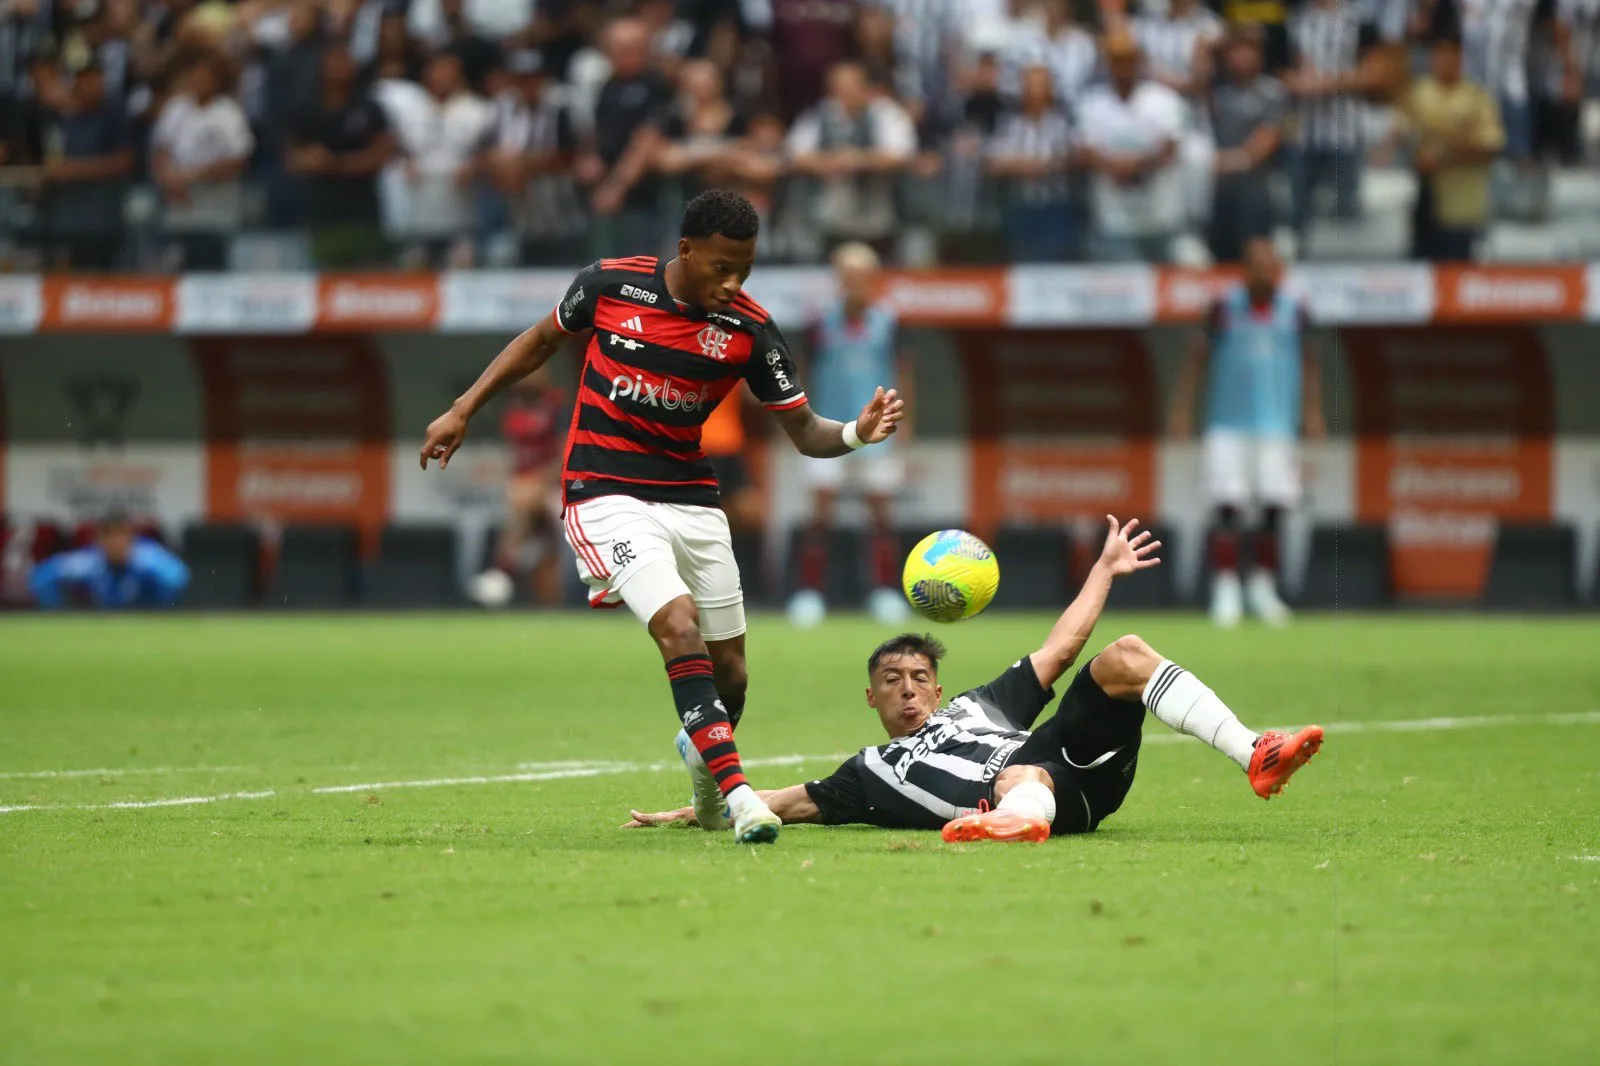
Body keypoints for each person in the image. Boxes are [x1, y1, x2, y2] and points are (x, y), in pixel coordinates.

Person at [420, 189, 905, 845]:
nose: (732, 282)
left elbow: (805, 431)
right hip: (603, 491)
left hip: (691, 497)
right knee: (677, 625)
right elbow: (537, 343)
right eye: (721, 267)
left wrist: (855, 433)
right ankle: (740, 797)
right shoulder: (609, 286)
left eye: (746, 269)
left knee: (731, 674)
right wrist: (463, 408)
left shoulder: (750, 330)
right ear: (685, 250)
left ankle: (705, 777)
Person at [624, 514, 1324, 842]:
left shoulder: (979, 706)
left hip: (1072, 758)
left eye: (919, 676)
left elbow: (1062, 645)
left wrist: (1103, 571)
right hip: (1042, 792)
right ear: (870, 697)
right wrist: (696, 810)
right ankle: (1011, 826)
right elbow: (785, 799)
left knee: (1126, 655)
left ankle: (1253, 753)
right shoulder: (867, 773)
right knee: (1027, 781)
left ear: (937, 687)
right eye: (891, 679)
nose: (907, 687)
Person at [1169, 237, 1325, 628]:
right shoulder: (1223, 308)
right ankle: (1226, 589)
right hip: (1227, 424)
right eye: (1255, 266)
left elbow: (1309, 362)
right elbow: (1195, 359)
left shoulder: (1296, 310)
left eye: (1269, 266)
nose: (1262, 273)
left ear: (1279, 271)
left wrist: (1312, 410)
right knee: (1227, 506)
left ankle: (1262, 587)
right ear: (1245, 269)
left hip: (1277, 425)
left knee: (1275, 507)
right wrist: (1182, 409)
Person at [789, 241, 911, 628]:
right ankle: (810, 594)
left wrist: (905, 427)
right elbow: (804, 374)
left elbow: (904, 373)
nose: (856, 283)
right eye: (849, 276)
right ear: (839, 280)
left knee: (880, 515)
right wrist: (800, 424)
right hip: (829, 430)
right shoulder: (819, 323)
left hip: (878, 433)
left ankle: (883, 592)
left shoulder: (889, 323)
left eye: (863, 276)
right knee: (821, 515)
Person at [1074, 33, 1186, 264]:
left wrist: (1135, 166)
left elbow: (1171, 148)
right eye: (1117, 60)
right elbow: (1084, 151)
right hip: (1114, 218)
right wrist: (1115, 167)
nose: (1123, 67)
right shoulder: (1093, 104)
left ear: (1140, 61)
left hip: (1160, 214)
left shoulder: (1164, 100)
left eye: (1129, 59)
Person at [1399, 32, 1507, 262]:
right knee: (1422, 277)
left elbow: (1491, 146)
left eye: (1450, 55)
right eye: (1439, 55)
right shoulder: (1419, 93)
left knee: (1457, 273)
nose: (1444, 61)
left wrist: (1444, 153)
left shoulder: (1476, 96)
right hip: (1425, 204)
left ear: (1461, 58)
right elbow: (1401, 135)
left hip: (1463, 207)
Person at [467, 372, 569, 607]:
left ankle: (501, 572)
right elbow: (517, 457)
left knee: (526, 503)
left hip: (561, 490)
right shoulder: (512, 409)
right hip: (525, 490)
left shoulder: (556, 409)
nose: (528, 380)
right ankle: (509, 578)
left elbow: (565, 456)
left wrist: (539, 482)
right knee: (542, 553)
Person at [30, 515, 190, 610]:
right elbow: (41, 578)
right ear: (99, 540)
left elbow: (179, 577)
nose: (116, 543)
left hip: (144, 620)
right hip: (97, 623)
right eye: (109, 537)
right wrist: (58, 610)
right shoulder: (88, 561)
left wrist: (157, 609)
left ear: (132, 538)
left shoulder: (148, 558)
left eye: (122, 536)